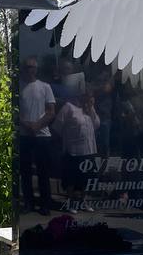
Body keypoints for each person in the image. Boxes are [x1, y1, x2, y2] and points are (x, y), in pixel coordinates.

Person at [18, 56, 56, 215]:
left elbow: (51, 111)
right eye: (27, 67)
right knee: (25, 172)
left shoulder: (45, 87)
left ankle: (45, 204)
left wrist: (37, 125)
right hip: (24, 135)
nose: (30, 70)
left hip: (42, 136)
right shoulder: (18, 87)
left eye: (32, 67)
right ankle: (29, 203)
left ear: (36, 69)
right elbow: (14, 111)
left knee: (43, 172)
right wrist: (26, 125)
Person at [52, 91, 100, 210]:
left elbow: (97, 124)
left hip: (89, 150)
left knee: (86, 177)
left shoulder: (89, 110)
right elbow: (57, 126)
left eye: (91, 98)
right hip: (73, 150)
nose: (88, 99)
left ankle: (83, 201)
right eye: (87, 97)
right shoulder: (69, 107)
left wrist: (91, 108)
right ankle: (70, 202)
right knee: (71, 178)